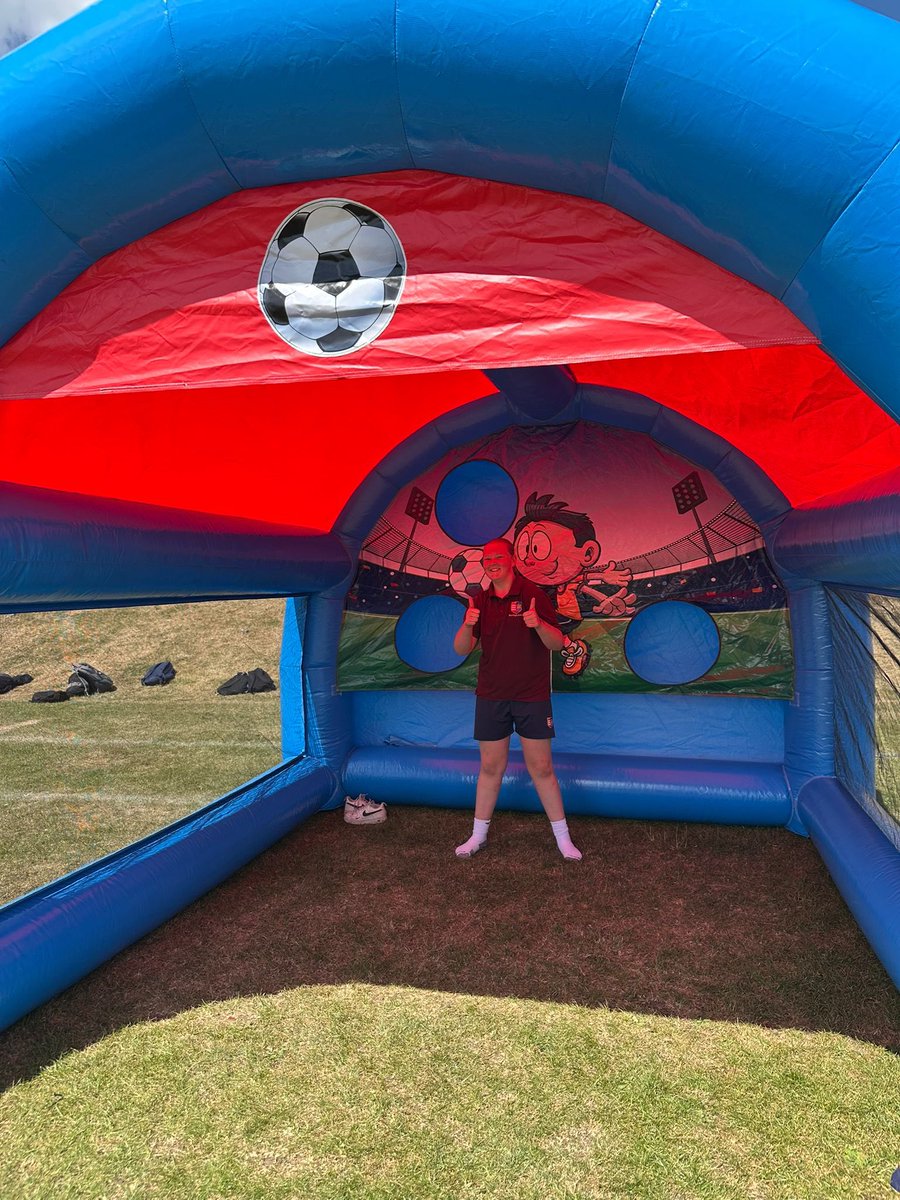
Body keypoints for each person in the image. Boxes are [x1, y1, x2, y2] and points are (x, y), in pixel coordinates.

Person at [452, 537, 582, 861]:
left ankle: (563, 840)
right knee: (490, 766)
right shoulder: (479, 600)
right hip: (492, 694)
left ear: (512, 559)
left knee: (541, 767)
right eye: (486, 559)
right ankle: (477, 836)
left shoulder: (534, 595)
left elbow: (555, 644)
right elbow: (461, 649)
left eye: (497, 556)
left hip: (531, 695)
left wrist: (537, 624)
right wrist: (466, 626)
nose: (491, 562)